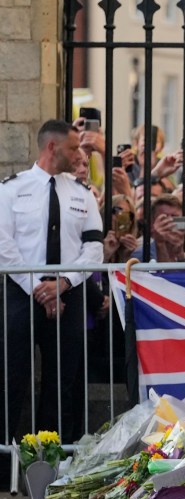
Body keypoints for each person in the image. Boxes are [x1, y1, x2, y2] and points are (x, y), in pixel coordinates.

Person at [0, 120, 104, 442]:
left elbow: (95, 247)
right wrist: (37, 288)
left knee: (61, 383)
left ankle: (52, 464)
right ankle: (4, 468)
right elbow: (4, 245)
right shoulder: (11, 189)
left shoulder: (82, 193)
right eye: (73, 148)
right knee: (11, 380)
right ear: (51, 147)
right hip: (21, 295)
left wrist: (63, 283)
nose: (79, 155)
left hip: (68, 296)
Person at [130, 193, 185, 262]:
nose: (169, 222)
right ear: (152, 223)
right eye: (164, 218)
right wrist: (160, 244)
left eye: (174, 217)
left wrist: (181, 256)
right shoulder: (141, 254)